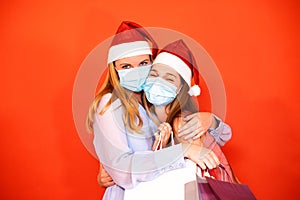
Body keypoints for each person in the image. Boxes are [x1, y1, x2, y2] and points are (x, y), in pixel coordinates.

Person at [87, 21, 232, 199]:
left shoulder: (154, 100)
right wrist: (182, 152)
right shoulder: (109, 103)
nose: (136, 72)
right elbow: (122, 171)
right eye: (126, 66)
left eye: (143, 63)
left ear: (152, 63)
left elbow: (215, 140)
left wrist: (211, 121)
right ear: (114, 68)